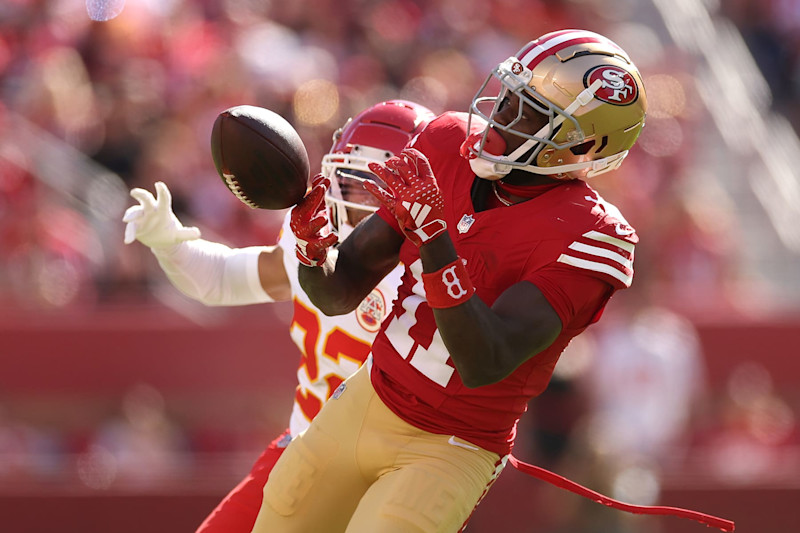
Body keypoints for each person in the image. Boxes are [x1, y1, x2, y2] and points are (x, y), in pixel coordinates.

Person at [252, 28, 648, 533]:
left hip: (452, 445)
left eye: (527, 112)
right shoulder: (445, 144)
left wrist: (437, 239)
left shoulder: (593, 235)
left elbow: (485, 360)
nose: (500, 116)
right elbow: (339, 291)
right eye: (508, 95)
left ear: (578, 145)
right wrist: (313, 250)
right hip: (367, 397)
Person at [121, 99, 435, 533]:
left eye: (372, 185)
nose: (353, 198)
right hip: (303, 446)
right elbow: (225, 279)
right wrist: (171, 244)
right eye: (348, 178)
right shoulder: (312, 233)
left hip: (392, 469)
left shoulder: (433, 265)